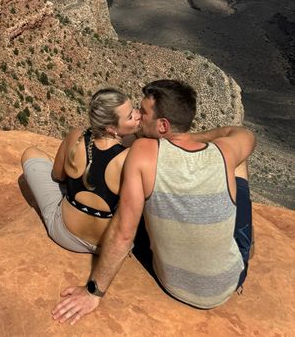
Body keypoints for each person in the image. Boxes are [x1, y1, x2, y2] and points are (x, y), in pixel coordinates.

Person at [51, 79, 255, 324]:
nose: (138, 116)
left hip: (170, 282)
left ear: (162, 125)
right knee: (239, 163)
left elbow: (123, 233)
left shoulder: (143, 152)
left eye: (143, 112)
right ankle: (246, 241)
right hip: (227, 284)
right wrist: (193, 136)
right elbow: (244, 134)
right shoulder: (225, 151)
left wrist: (93, 292)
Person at [20, 88, 141, 254]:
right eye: (130, 116)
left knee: (31, 153)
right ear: (112, 129)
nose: (138, 114)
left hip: (65, 235)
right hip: (107, 247)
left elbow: (57, 175)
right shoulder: (131, 157)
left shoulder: (77, 136)